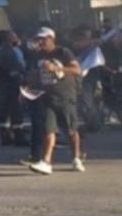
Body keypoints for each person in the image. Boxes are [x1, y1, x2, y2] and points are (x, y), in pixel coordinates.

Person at [27, 28, 85, 175]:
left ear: (51, 38)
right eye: (38, 39)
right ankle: (46, 162)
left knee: (70, 129)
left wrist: (57, 68)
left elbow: (76, 69)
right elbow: (36, 74)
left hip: (64, 95)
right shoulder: (38, 55)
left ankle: (76, 157)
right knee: (48, 129)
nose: (40, 42)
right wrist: (27, 88)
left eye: (43, 39)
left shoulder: (63, 52)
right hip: (46, 97)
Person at [0, 30, 28, 146]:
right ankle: (18, 135)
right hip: (11, 84)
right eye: (13, 36)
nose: (15, 37)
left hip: (3, 84)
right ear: (7, 38)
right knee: (16, 109)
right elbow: (13, 68)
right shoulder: (7, 51)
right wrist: (20, 77)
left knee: (5, 110)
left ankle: (5, 134)